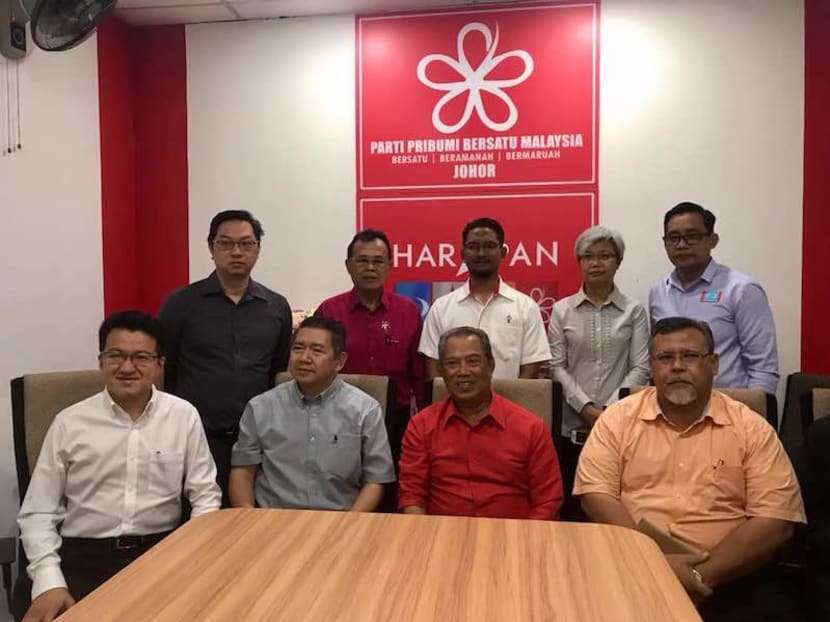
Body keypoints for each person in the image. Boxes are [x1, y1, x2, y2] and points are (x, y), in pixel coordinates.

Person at [574, 317, 805, 621]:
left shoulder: (751, 428)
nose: (678, 366)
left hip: (729, 578)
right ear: (652, 367)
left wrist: (698, 576)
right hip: (630, 567)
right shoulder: (617, 420)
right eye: (665, 357)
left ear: (714, 364)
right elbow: (595, 495)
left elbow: (775, 520)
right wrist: (653, 564)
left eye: (691, 356)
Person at [16, 311, 220, 622]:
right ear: (101, 361)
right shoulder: (69, 423)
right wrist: (48, 580)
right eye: (116, 356)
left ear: (159, 364)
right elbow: (38, 513)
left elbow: (205, 497)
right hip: (82, 558)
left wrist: (190, 559)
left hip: (162, 552)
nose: (127, 367)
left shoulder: (183, 416)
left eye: (141, 357)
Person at [159, 210, 292, 506]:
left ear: (258, 249)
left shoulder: (276, 306)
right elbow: (167, 369)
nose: (236, 252)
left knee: (253, 525)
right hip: (198, 438)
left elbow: (278, 369)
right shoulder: (181, 303)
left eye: (246, 244)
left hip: (259, 440)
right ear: (211, 248)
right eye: (226, 243)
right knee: (199, 522)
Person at [228, 317, 395, 512]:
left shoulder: (365, 410)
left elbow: (376, 480)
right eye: (298, 348)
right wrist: (249, 518)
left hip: (340, 521)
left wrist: (351, 523)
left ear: (339, 361)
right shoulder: (260, 407)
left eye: (317, 350)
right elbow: (243, 471)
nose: (304, 358)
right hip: (273, 520)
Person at [399, 326, 563, 519]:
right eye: (452, 364)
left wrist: (524, 543)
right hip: (442, 538)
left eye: (473, 362)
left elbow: (548, 501)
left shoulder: (530, 427)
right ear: (441, 372)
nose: (463, 372)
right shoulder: (421, 426)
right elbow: (412, 497)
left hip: (514, 539)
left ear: (491, 365)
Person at [548, 225, 649, 517]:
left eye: (605, 255)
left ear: (617, 262)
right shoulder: (562, 310)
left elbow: (641, 366)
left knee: (614, 512)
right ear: (579, 262)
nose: (596, 262)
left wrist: (609, 412)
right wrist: (588, 409)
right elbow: (556, 367)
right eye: (588, 256)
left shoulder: (634, 311)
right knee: (571, 513)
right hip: (571, 431)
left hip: (621, 429)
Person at [314, 229, 424, 469]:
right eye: (362, 261)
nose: (370, 267)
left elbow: (419, 375)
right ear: (348, 265)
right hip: (339, 417)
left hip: (395, 420)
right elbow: (315, 370)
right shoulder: (329, 311)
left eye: (378, 261)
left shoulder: (408, 311)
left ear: (389, 266)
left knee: (391, 487)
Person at [649, 202, 778, 395]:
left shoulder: (741, 289)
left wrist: (750, 416)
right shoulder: (657, 291)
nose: (682, 244)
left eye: (692, 236)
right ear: (665, 243)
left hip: (729, 411)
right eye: (674, 238)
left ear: (712, 240)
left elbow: (763, 367)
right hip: (673, 408)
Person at [419, 217, 551, 380]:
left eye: (489, 246)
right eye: (473, 247)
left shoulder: (525, 307)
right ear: (463, 254)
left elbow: (531, 367)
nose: (481, 253)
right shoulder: (441, 307)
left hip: (508, 403)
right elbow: (433, 365)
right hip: (453, 404)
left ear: (503, 252)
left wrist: (508, 405)